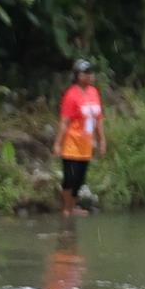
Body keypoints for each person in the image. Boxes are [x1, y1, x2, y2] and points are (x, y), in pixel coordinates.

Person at [54, 58, 103, 214]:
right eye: (86, 73)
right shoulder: (71, 95)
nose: (90, 76)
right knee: (70, 178)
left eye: (91, 72)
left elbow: (98, 119)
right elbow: (64, 122)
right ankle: (66, 209)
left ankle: (72, 207)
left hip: (86, 144)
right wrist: (57, 143)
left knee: (80, 180)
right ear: (78, 76)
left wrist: (102, 140)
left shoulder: (94, 92)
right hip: (71, 142)